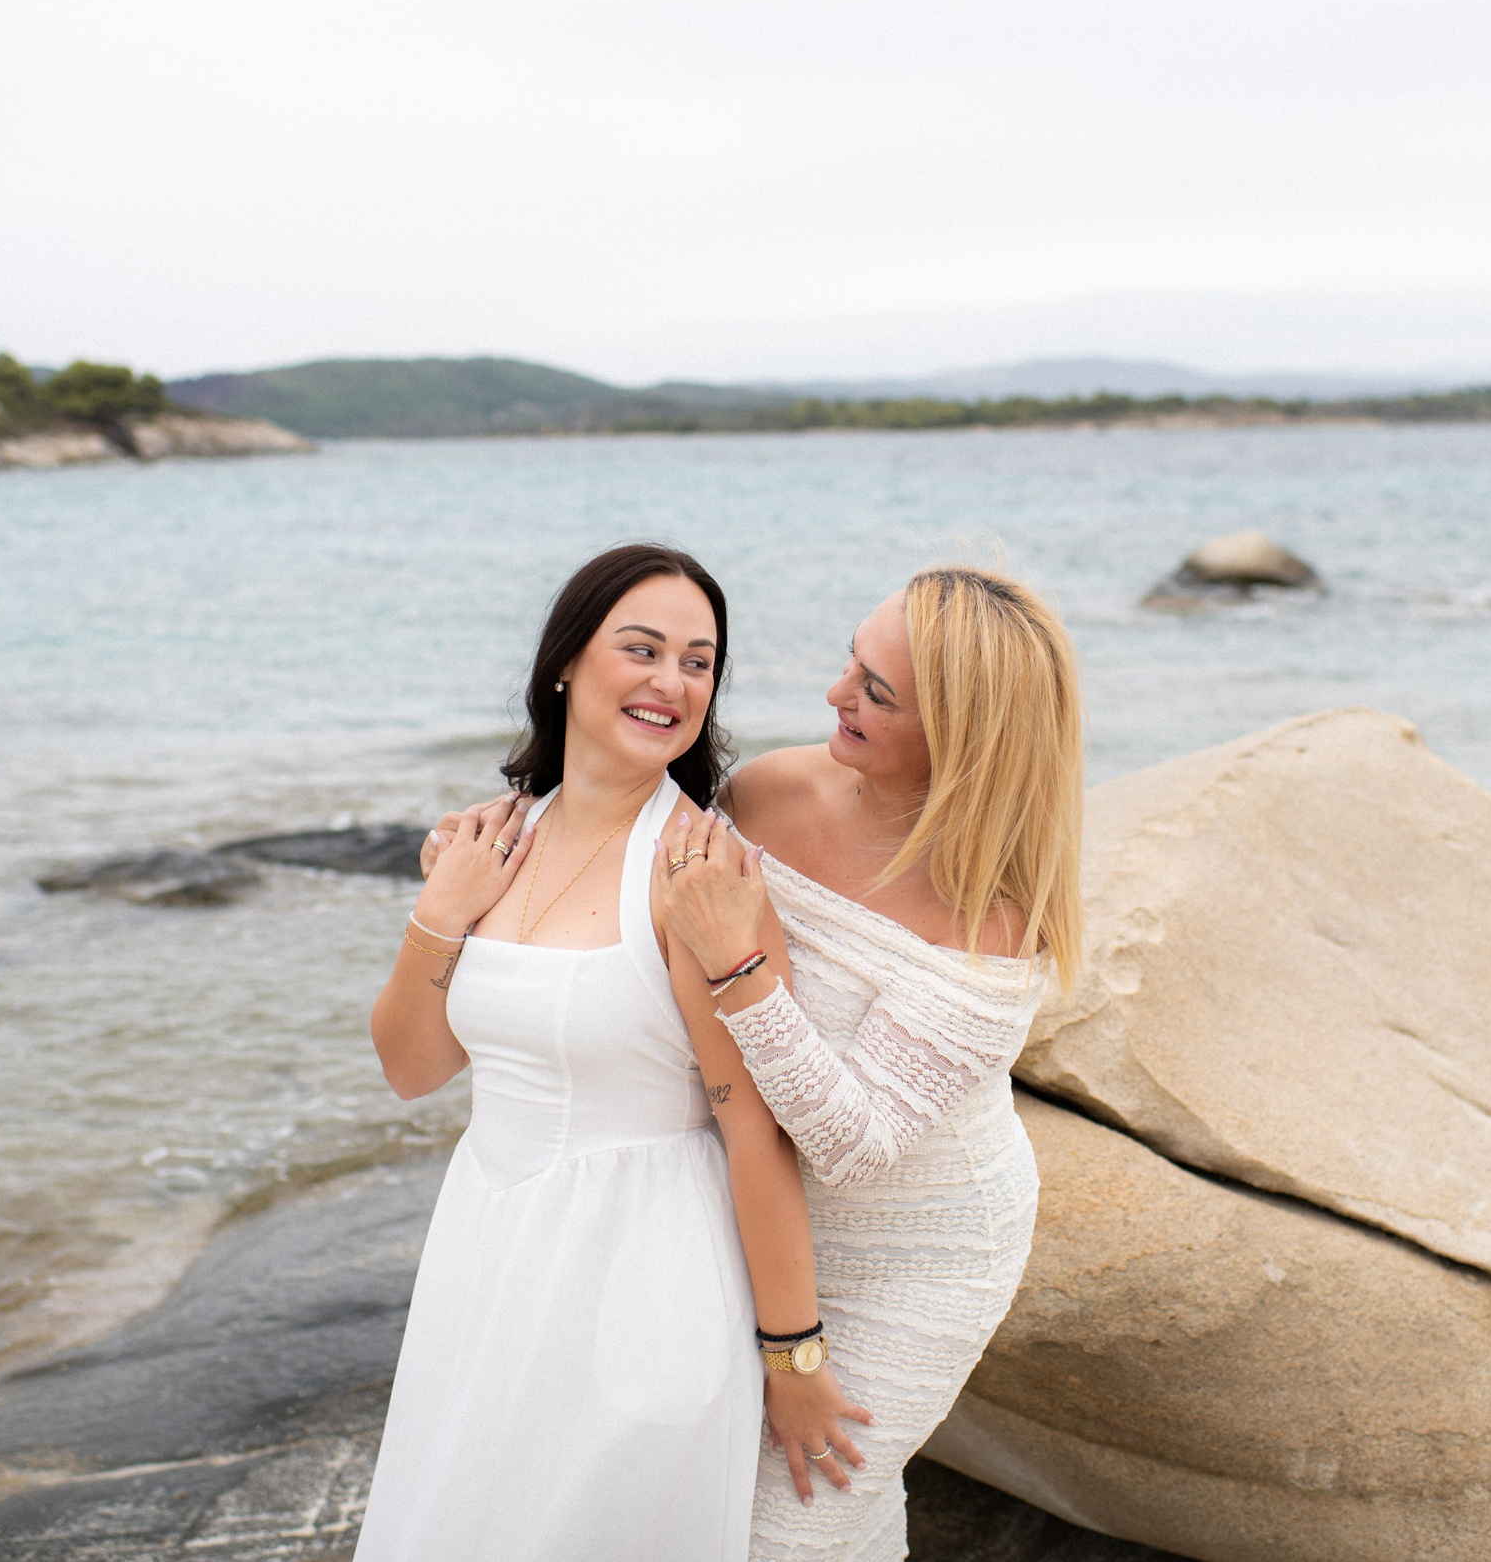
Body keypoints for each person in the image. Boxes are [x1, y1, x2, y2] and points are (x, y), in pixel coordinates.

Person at [432, 563, 1086, 1561]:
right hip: (748, 1214)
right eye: (848, 664)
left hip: (915, 1251)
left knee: (794, 1530)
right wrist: (485, 853)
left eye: (875, 692)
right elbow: (632, 862)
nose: (835, 695)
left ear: (961, 737)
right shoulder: (772, 789)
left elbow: (849, 1142)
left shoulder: (996, 921)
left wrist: (742, 970)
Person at [357, 544, 871, 1562]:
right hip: (487, 1264)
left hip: (644, 1277)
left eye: (697, 660)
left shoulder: (698, 870)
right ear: (565, 661)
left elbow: (752, 1127)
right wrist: (438, 912)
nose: (670, 681)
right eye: (641, 649)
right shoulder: (491, 842)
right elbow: (413, 1068)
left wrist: (794, 1355)